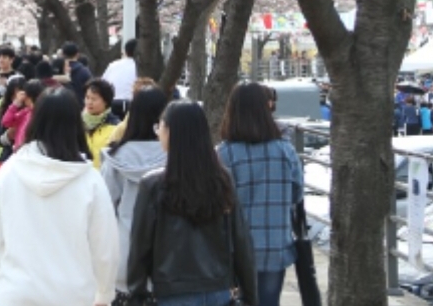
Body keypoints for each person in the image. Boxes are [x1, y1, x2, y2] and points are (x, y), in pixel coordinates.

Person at [0, 88, 119, 306]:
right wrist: (104, 292)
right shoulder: (90, 181)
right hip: (73, 296)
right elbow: (105, 246)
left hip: (15, 293)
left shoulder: (10, 172)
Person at [127, 100, 257, 306]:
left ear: (171, 132)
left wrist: (137, 294)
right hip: (218, 290)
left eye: (159, 126)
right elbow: (241, 240)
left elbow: (139, 248)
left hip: (172, 291)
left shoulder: (153, 185)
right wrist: (250, 296)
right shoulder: (222, 180)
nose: (158, 132)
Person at [218, 82, 303, 306]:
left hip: (236, 250)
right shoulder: (286, 151)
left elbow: (218, 203)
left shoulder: (225, 153)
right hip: (276, 247)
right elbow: (297, 195)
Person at [99, 87, 168, 302]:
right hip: (169, 256)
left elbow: (105, 207)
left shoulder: (116, 157)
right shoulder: (175, 156)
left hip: (126, 254)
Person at [84, 78, 120, 169]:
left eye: (94, 99)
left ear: (106, 101)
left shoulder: (115, 127)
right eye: (87, 98)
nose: (89, 102)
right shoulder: (79, 123)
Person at [0, 79, 46, 151]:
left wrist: (15, 104)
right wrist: (15, 104)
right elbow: (6, 122)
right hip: (21, 152)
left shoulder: (41, 113)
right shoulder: (25, 112)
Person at [103, 39, 138, 119]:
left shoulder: (113, 65)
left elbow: (103, 82)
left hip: (113, 103)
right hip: (132, 104)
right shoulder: (140, 67)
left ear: (125, 51)